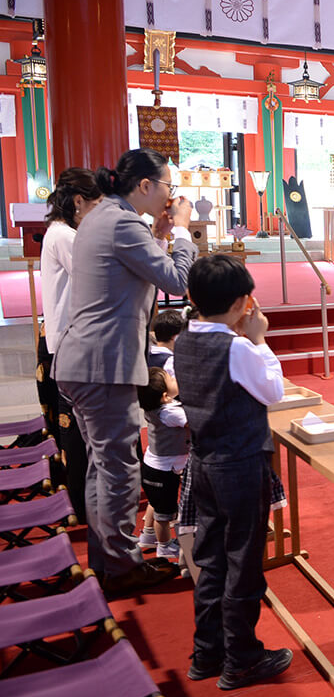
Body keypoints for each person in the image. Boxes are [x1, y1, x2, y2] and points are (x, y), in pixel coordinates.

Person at [53, 148, 196, 595]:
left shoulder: (103, 215)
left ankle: (109, 559)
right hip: (103, 365)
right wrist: (186, 234)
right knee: (118, 470)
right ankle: (120, 566)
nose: (172, 194)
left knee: (103, 467)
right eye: (168, 186)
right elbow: (175, 281)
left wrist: (160, 232)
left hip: (84, 361)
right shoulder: (122, 221)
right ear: (147, 186)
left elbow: (137, 266)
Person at [174, 255, 292, 690]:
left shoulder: (183, 339)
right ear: (245, 302)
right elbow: (272, 392)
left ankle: (207, 652)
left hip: (202, 463)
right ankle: (241, 657)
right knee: (243, 562)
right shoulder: (238, 346)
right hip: (239, 465)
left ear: (190, 297)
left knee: (211, 559)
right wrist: (260, 340)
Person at [34, 169, 102, 521]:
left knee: (76, 428)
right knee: (76, 432)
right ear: (79, 202)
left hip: (64, 341)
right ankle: (83, 505)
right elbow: (100, 273)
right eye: (97, 204)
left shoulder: (60, 233)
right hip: (69, 346)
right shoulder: (64, 236)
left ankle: (82, 501)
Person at [136, 367, 187, 562]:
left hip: (154, 466)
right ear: (165, 396)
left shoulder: (156, 406)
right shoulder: (170, 414)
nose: (174, 378)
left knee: (155, 503)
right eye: (170, 378)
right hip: (163, 471)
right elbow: (195, 423)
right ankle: (164, 547)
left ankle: (148, 535)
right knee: (164, 514)